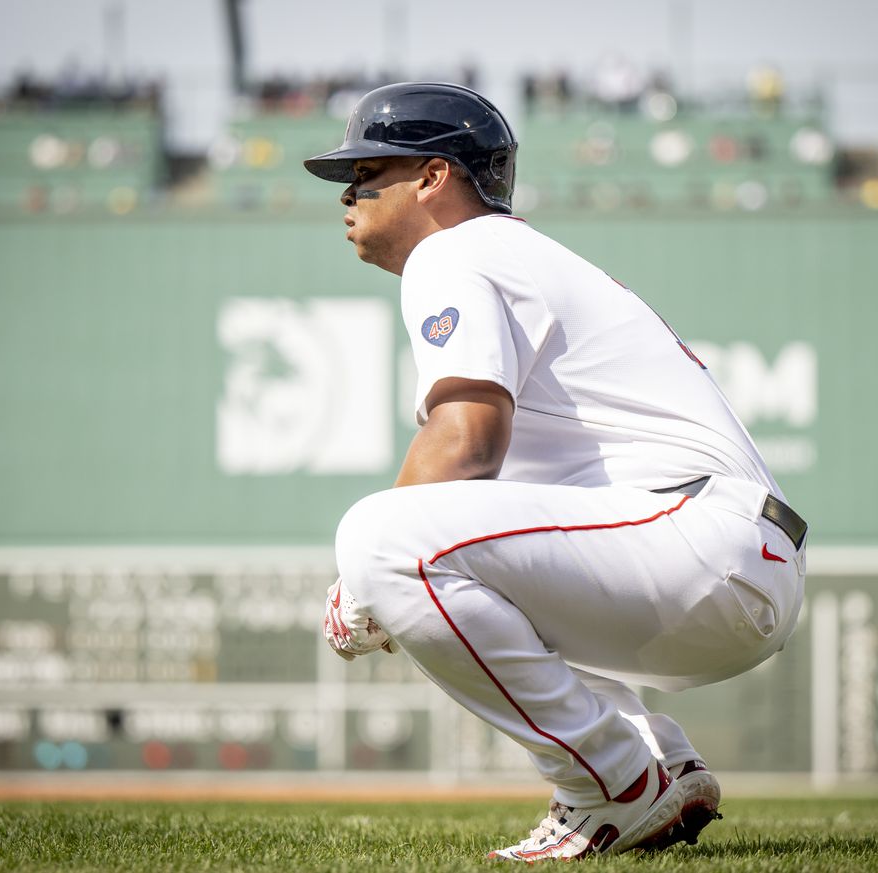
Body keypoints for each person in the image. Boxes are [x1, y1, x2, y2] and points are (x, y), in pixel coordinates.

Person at [306, 82, 806, 861]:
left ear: (434, 177)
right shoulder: (516, 256)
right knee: (470, 558)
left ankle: (609, 782)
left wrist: (358, 581)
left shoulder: (454, 250)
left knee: (374, 537)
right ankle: (656, 755)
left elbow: (467, 439)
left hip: (699, 541)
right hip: (730, 556)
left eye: (369, 170)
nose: (349, 192)